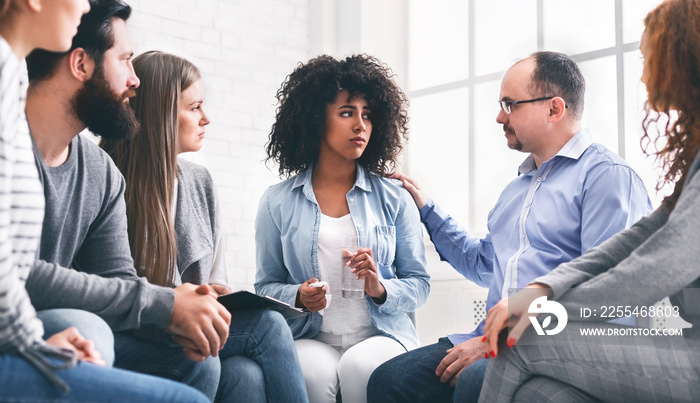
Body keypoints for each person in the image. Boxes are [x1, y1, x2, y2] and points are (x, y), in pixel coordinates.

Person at [368, 51, 653, 402]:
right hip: (490, 335)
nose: (499, 116)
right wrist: (426, 209)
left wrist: (500, 342)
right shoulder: (516, 190)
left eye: (510, 104)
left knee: (475, 379)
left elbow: (605, 297)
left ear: (554, 109)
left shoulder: (607, 178)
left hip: (561, 346)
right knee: (389, 380)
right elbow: (485, 264)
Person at [480, 1, 700, 401]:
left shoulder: (606, 174)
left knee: (516, 345)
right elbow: (635, 240)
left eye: (651, 59)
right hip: (686, 346)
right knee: (540, 394)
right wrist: (544, 288)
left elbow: (659, 267)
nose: (645, 76)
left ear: (682, 60)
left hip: (693, 354)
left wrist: (550, 307)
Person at [22, 0, 236, 400]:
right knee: (88, 328)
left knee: (196, 360)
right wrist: (165, 303)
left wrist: (180, 319)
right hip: (30, 321)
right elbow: (15, 271)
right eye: (125, 61)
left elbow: (116, 282)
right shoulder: (9, 141)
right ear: (81, 64)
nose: (135, 81)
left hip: (55, 326)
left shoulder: (101, 173)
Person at [100, 50, 308, 403]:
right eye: (194, 107)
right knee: (268, 327)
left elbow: (215, 277)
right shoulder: (109, 177)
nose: (206, 118)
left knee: (245, 374)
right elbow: (111, 287)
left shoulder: (199, 182)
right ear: (162, 113)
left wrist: (217, 291)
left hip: (187, 323)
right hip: (136, 328)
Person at [255, 54, 430, 403]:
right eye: (347, 112)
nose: (361, 125)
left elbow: (419, 284)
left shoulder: (394, 198)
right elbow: (264, 288)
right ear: (315, 119)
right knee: (309, 374)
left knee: (359, 368)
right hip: (311, 337)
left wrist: (380, 288)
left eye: (367, 114)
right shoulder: (277, 201)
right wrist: (298, 297)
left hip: (379, 334)